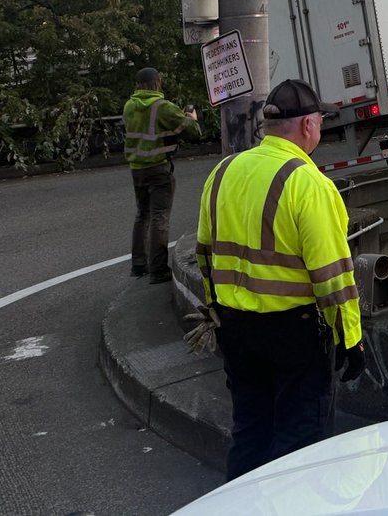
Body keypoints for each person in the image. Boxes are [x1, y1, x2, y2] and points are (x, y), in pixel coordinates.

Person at [195, 78, 365, 481]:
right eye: (320, 121)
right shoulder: (309, 184)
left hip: (235, 330)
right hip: (294, 337)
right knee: (299, 446)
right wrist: (350, 340)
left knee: (249, 433)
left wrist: (214, 311)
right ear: (308, 126)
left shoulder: (222, 172)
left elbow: (204, 254)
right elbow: (333, 279)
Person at [123, 66, 201, 283]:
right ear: (158, 83)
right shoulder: (162, 107)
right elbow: (192, 132)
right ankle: (158, 270)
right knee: (159, 217)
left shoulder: (129, 106)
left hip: (136, 169)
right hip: (158, 168)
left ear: (138, 85)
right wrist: (191, 117)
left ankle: (139, 265)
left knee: (142, 215)